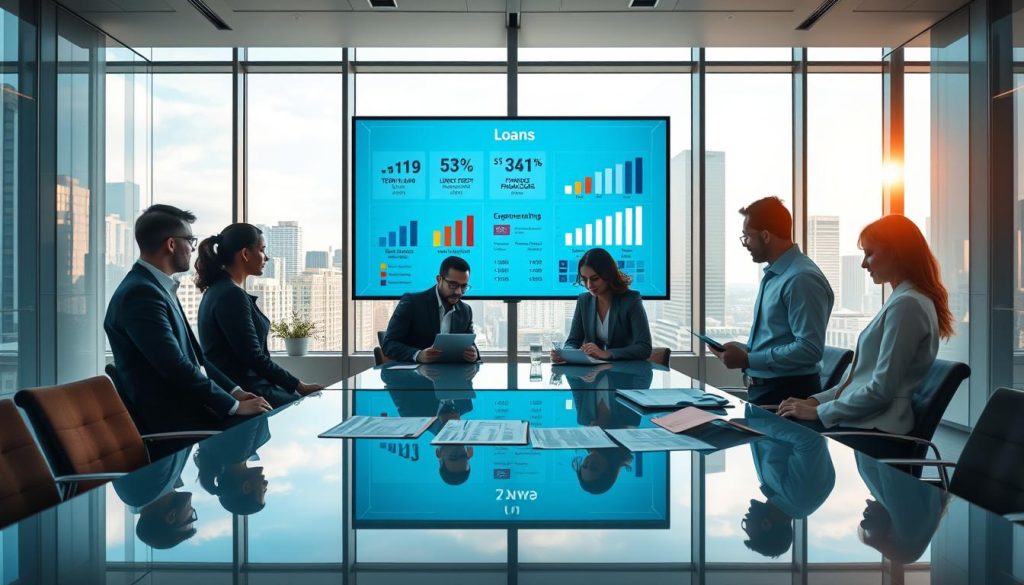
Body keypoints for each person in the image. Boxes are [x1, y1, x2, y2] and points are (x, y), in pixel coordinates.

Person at [104, 205, 270, 448]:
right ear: (171, 244)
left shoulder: (157, 287)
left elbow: (196, 358)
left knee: (261, 415)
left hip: (188, 408)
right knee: (261, 420)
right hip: (175, 419)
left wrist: (234, 392)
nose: (193, 248)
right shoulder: (141, 294)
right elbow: (175, 366)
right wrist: (233, 407)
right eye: (190, 240)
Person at [777, 215, 953, 440]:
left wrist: (817, 412)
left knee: (784, 439)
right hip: (864, 422)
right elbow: (857, 380)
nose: (863, 263)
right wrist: (814, 402)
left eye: (869, 253)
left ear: (897, 252)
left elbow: (880, 391)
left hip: (875, 431)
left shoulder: (907, 304)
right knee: (784, 432)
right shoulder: (904, 300)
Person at [711, 196, 833, 405]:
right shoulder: (777, 275)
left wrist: (748, 359)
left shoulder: (800, 278)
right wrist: (746, 350)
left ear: (766, 236)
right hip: (769, 391)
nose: (745, 244)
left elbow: (809, 349)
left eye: (747, 236)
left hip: (788, 395)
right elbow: (778, 338)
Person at [194, 223, 324, 408]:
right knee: (308, 409)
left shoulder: (218, 290)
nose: (267, 257)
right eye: (262, 250)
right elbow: (253, 357)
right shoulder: (231, 295)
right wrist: (299, 386)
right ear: (245, 254)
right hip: (248, 394)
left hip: (242, 389)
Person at [739, 405, 836, 558]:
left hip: (767, 399)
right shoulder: (802, 497)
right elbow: (810, 440)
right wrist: (750, 425)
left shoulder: (779, 496)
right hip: (786, 397)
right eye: (747, 528)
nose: (745, 521)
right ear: (766, 525)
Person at [552, 248, 652, 363]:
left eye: (595, 279)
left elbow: (644, 347)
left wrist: (607, 354)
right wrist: (565, 354)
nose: (589, 285)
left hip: (625, 372)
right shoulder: (583, 301)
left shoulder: (630, 300)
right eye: (584, 279)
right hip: (592, 375)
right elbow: (573, 341)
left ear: (608, 275)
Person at [382, 256, 479, 364]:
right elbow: (388, 345)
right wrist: (418, 355)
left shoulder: (465, 311)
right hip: (415, 376)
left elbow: (471, 345)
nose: (458, 292)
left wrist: (474, 354)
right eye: (452, 285)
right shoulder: (412, 303)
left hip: (452, 376)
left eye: (463, 287)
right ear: (439, 279)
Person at [854, 451, 947, 564]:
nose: (864, 522)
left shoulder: (889, 502)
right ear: (892, 536)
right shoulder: (910, 528)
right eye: (881, 544)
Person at [113, 447, 196, 550]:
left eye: (190, 518)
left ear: (171, 516)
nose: (192, 511)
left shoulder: (146, 485)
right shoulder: (158, 489)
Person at [194, 417, 272, 516]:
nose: (266, 484)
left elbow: (255, 408)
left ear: (247, 487)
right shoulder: (219, 456)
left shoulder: (236, 451)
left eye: (263, 491)